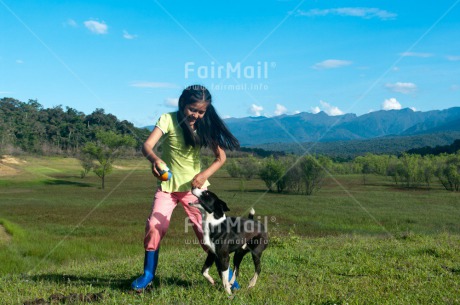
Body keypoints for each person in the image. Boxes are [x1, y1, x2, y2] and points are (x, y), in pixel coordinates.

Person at [131, 85, 240, 290]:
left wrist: (204, 175)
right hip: (167, 188)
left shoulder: (205, 126)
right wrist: (155, 160)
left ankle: (230, 279)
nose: (196, 115)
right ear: (182, 104)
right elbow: (147, 146)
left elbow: (221, 157)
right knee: (155, 227)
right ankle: (147, 276)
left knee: (207, 237)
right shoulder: (168, 119)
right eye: (192, 109)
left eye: (201, 111)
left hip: (195, 192)